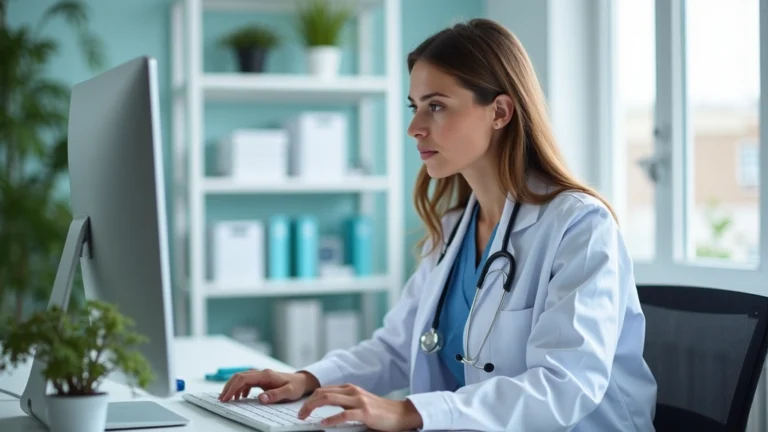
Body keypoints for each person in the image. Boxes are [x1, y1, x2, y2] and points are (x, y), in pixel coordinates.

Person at [218, 18, 657, 431]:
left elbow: (565, 387)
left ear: (500, 112)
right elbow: (396, 346)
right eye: (415, 106)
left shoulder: (578, 226)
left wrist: (408, 410)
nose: (414, 127)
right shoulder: (454, 228)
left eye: (436, 107)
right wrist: (307, 378)